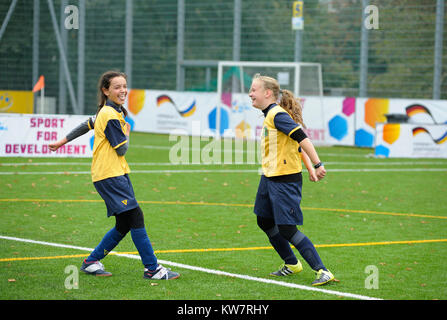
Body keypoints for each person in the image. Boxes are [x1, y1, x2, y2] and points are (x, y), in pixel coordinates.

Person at [49, 70, 179, 280]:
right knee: (136, 217)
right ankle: (152, 269)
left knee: (124, 223)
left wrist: (61, 141)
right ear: (106, 90)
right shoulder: (110, 115)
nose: (123, 91)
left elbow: (85, 125)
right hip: (110, 175)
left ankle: (91, 262)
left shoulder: (108, 111)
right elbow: (121, 149)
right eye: (117, 87)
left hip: (112, 173)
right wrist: (127, 133)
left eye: (124, 86)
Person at [249, 73, 334, 286]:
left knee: (287, 228)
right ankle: (292, 263)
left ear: (267, 93)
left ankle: (323, 271)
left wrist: (317, 164)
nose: (250, 94)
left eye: (253, 90)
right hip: (269, 178)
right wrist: (309, 166)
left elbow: (302, 138)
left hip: (284, 181)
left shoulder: (277, 115)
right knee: (264, 220)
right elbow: (294, 144)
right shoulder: (271, 115)